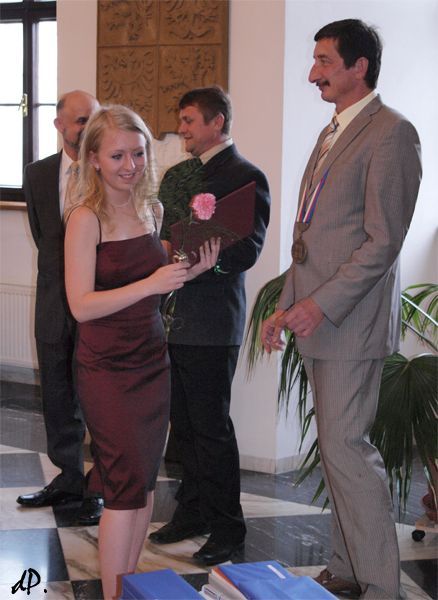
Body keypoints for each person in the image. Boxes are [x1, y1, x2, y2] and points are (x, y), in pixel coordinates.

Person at [261, 19, 421, 599]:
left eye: (325, 61)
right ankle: (348, 567)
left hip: (350, 325)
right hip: (321, 320)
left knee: (348, 451)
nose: (313, 74)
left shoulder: (393, 133)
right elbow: (314, 237)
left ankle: (380, 584)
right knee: (335, 452)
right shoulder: (334, 130)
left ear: (360, 67)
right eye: (315, 61)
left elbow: (382, 242)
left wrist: (320, 305)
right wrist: (287, 305)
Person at [64, 104, 219, 600]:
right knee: (123, 490)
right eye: (117, 156)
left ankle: (128, 589)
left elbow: (152, 287)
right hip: (106, 368)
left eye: (138, 153)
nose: (130, 165)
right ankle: (114, 594)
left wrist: (189, 272)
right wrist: (151, 282)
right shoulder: (85, 219)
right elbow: (82, 306)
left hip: (152, 360)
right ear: (93, 159)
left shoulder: (152, 210)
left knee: (145, 485)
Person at [149, 86, 271, 566]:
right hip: (173, 317)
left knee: (211, 428)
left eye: (189, 120)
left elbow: (248, 248)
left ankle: (227, 529)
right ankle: (193, 511)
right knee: (183, 425)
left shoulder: (245, 176)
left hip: (213, 320)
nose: (181, 129)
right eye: (181, 120)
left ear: (217, 122)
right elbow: (165, 236)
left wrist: (209, 261)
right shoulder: (179, 176)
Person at [19, 90, 104, 525]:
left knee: (98, 400)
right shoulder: (37, 174)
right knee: (56, 397)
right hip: (53, 304)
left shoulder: (108, 170)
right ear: (60, 125)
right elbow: (44, 237)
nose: (88, 128)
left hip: (98, 304)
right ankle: (68, 479)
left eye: (94, 119)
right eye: (81, 120)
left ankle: (99, 486)